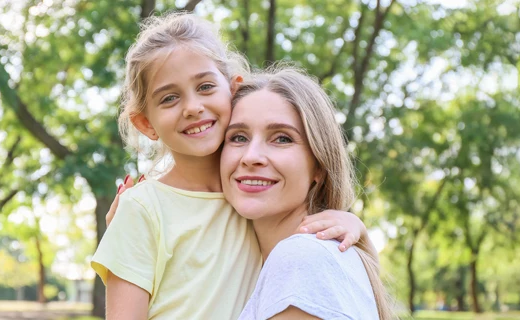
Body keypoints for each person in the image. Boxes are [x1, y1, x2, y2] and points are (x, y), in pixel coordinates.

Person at [91, 13, 368, 319]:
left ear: (232, 90)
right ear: (146, 123)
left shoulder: (248, 200)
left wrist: (355, 227)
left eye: (206, 87)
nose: (193, 107)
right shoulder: (146, 207)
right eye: (169, 98)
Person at [221, 67, 393, 320]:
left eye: (281, 139)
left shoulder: (301, 259)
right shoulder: (256, 268)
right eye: (238, 137)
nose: (251, 157)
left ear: (319, 167)